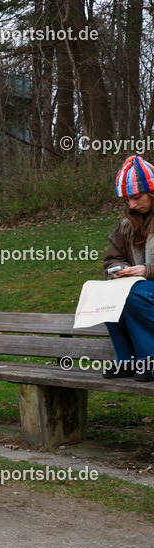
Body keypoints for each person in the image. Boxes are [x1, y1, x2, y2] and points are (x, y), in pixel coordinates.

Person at [102, 155, 154, 382]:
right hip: (142, 290)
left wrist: (145, 271)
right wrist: (119, 269)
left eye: (136, 197)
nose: (131, 205)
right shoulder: (127, 224)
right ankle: (127, 359)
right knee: (106, 295)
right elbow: (111, 259)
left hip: (144, 290)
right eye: (126, 200)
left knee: (132, 293)